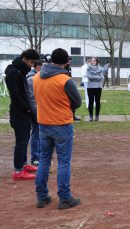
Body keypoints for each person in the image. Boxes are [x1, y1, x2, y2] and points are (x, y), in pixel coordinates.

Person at [33, 48, 82, 209]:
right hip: (61, 123)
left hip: (43, 123)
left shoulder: (37, 77)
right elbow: (77, 101)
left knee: (44, 159)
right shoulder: (64, 79)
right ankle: (65, 197)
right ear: (66, 62)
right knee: (63, 162)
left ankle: (41, 196)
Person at [5, 49, 40, 180]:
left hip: (25, 113)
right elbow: (15, 96)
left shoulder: (20, 71)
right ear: (24, 59)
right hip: (19, 114)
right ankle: (18, 171)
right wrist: (26, 109)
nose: (31, 66)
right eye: (31, 62)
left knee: (24, 141)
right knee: (21, 142)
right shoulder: (13, 73)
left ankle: (24, 164)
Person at [26, 59, 44, 166]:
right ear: (38, 67)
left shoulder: (38, 77)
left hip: (41, 110)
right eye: (43, 67)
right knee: (36, 134)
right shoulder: (31, 79)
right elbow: (32, 98)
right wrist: (36, 111)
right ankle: (35, 157)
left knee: (42, 133)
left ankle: (41, 155)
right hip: (36, 110)